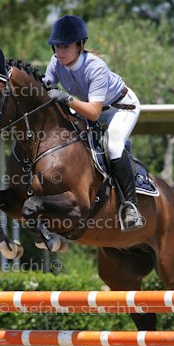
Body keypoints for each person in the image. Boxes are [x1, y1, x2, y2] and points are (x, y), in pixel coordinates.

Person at [44, 14, 143, 231]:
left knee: (113, 146)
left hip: (120, 108)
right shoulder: (55, 63)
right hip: (88, 107)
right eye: (57, 47)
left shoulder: (96, 67)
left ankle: (131, 207)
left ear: (80, 45)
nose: (60, 52)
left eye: (65, 47)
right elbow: (45, 91)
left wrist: (67, 99)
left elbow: (94, 113)